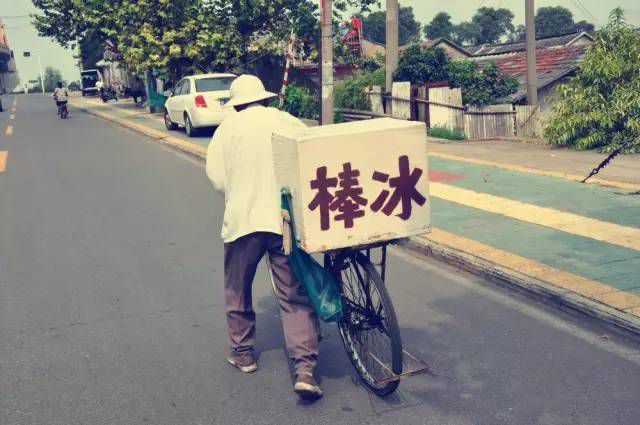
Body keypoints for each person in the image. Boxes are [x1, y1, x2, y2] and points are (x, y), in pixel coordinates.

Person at [206, 75, 323, 400]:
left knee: (237, 288)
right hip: (282, 221)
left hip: (243, 223)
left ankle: (243, 354)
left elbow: (217, 180)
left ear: (237, 103)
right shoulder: (288, 121)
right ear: (265, 99)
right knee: (293, 295)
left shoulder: (226, 130)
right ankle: (305, 370)